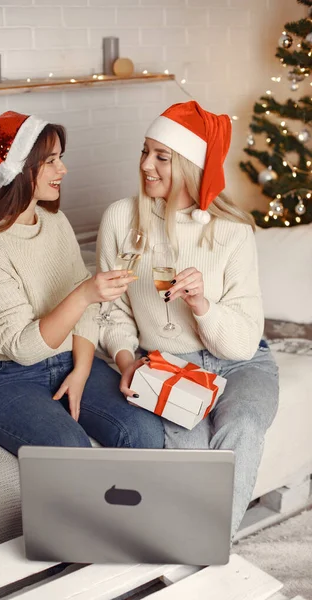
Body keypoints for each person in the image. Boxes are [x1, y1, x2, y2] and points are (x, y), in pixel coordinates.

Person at [96, 101, 279, 536]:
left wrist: (202, 304)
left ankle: (207, 559)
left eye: (162, 157)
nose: (146, 165)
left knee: (242, 426)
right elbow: (111, 311)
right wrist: (127, 360)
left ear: (191, 165)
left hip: (241, 362)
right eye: (145, 152)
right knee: (191, 447)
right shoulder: (122, 219)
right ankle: (191, 548)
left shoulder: (232, 232)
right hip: (171, 365)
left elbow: (241, 343)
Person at [0, 110, 165, 456]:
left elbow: (85, 315)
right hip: (6, 377)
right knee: (70, 450)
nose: (62, 170)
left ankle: (136, 512)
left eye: (60, 159)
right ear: (22, 168)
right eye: (51, 161)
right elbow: (22, 349)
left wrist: (82, 370)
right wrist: (84, 294)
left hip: (69, 359)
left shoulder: (56, 222)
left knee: (142, 430)